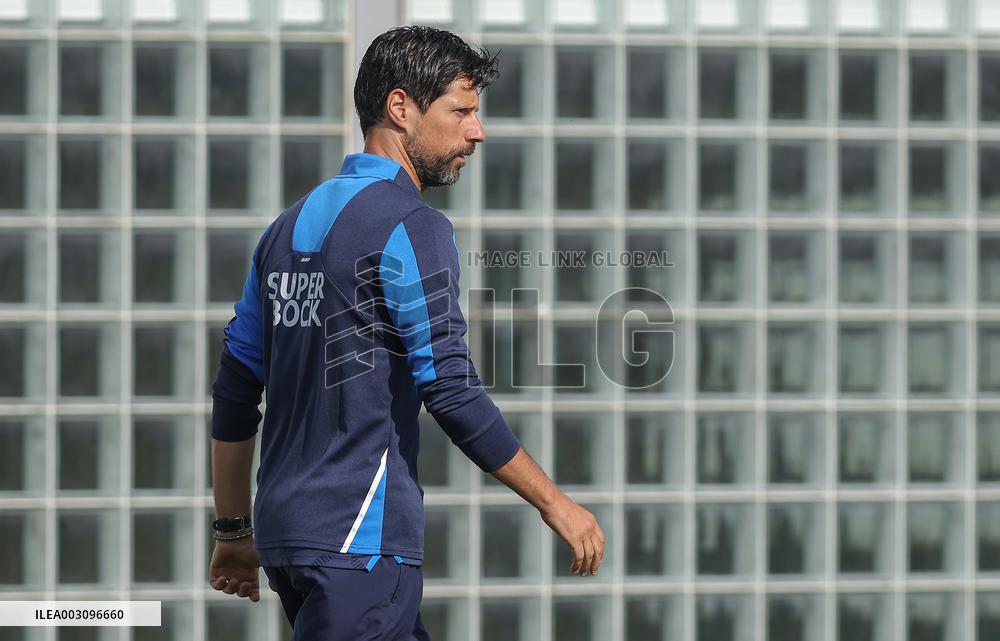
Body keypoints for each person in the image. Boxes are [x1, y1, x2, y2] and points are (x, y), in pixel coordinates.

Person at [207, 25, 605, 640]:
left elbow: (235, 390)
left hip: (293, 539)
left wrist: (232, 531)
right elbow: (449, 386)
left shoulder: (284, 229)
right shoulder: (411, 225)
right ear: (401, 108)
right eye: (462, 111)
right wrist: (557, 504)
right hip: (360, 545)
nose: (477, 132)